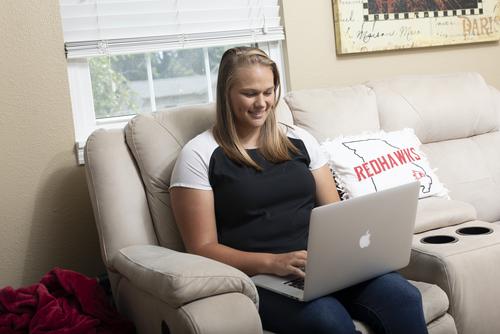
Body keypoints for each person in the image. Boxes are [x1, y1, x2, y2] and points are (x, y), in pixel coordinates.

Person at [169, 46, 428, 334]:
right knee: (329, 322)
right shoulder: (199, 154)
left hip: (325, 267)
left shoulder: (300, 140)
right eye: (250, 93)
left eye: (268, 91)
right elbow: (201, 248)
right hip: (261, 276)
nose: (262, 103)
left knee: (404, 298)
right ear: (226, 94)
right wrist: (273, 262)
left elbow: (336, 214)